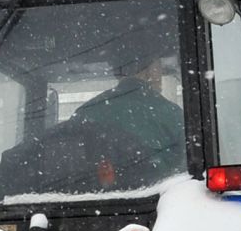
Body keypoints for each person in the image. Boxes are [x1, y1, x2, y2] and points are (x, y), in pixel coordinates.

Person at [67, 50, 185, 187]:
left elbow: (71, 167)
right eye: (158, 67)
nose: (159, 75)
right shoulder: (171, 114)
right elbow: (188, 173)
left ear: (117, 72)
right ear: (152, 69)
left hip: (89, 203)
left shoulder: (84, 113)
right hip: (156, 202)